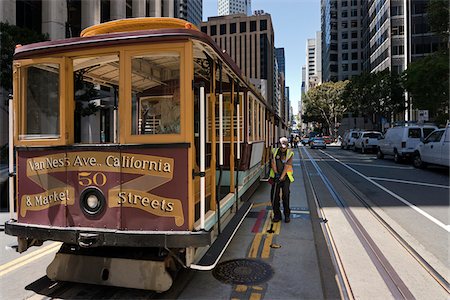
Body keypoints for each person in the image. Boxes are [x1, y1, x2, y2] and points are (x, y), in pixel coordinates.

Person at [269, 137, 295, 223]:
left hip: (285, 177)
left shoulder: (290, 153)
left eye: (284, 147)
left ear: (287, 146)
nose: (282, 149)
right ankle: (277, 215)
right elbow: (273, 162)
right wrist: (276, 173)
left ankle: (287, 215)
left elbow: (287, 166)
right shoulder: (274, 151)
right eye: (281, 147)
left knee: (286, 196)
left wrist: (281, 177)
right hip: (276, 177)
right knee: (274, 196)